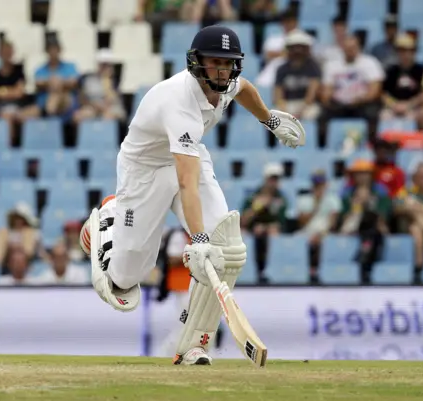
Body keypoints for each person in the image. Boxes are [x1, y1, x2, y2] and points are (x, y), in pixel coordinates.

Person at [78, 25, 305, 365]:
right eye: (215, 62)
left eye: (228, 64)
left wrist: (269, 119)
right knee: (123, 285)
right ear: (196, 63)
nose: (222, 70)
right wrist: (197, 239)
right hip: (145, 170)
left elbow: (244, 90)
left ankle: (194, 344)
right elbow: (184, 181)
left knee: (227, 249)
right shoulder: (179, 102)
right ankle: (107, 220)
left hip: (189, 156)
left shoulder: (226, 83)